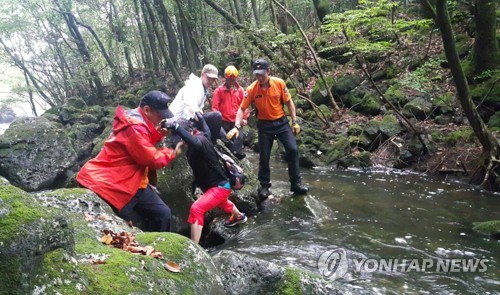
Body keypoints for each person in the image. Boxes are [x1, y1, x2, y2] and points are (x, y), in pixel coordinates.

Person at [77, 90, 177, 232]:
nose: (161, 119)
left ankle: (159, 246)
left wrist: (159, 133)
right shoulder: (133, 127)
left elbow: (141, 144)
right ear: (147, 110)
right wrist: (172, 150)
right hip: (117, 182)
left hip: (135, 181)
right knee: (119, 227)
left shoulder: (136, 121)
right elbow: (151, 159)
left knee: (163, 213)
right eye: (160, 115)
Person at [227, 59, 309, 199]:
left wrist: (294, 121)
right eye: (256, 75)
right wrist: (236, 126)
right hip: (264, 125)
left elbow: (289, 102)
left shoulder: (279, 83)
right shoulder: (252, 89)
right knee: (264, 156)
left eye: (261, 74)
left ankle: (296, 183)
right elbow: (241, 108)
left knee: (293, 150)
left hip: (281, 122)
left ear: (268, 72)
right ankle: (265, 186)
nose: (259, 77)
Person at [164, 112, 247, 244]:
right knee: (223, 202)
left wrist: (177, 127)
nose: (181, 140)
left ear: (190, 132)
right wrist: (201, 119)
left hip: (219, 187)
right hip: (220, 186)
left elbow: (195, 143)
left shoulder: (199, 141)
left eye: (182, 137)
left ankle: (194, 247)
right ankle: (239, 216)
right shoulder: (204, 135)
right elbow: (207, 129)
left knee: (197, 209)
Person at [212, 65, 249, 160]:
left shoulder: (240, 90)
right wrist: (217, 121)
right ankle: (226, 158)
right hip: (224, 121)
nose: (231, 81)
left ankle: (237, 158)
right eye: (229, 79)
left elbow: (244, 105)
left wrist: (244, 118)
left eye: (233, 79)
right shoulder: (219, 91)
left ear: (236, 79)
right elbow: (215, 108)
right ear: (225, 78)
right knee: (225, 140)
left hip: (236, 121)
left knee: (239, 138)